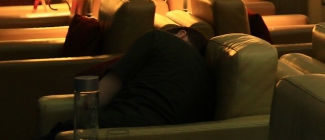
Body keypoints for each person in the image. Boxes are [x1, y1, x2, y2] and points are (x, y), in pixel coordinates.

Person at [43, 26, 214, 138]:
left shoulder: (158, 38)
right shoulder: (208, 73)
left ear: (182, 34)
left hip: (119, 128)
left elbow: (98, 98)